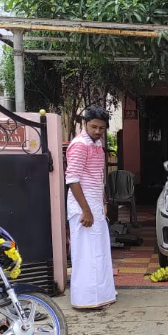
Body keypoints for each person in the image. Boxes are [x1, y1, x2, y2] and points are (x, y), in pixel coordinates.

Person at [64, 106, 117, 310]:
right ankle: (86, 300)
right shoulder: (80, 145)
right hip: (82, 206)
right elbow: (73, 180)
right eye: (93, 126)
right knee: (86, 254)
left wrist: (101, 202)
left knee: (99, 251)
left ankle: (102, 296)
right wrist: (86, 210)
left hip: (94, 204)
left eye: (101, 128)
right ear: (84, 124)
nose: (97, 131)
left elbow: (97, 178)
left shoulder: (96, 143)